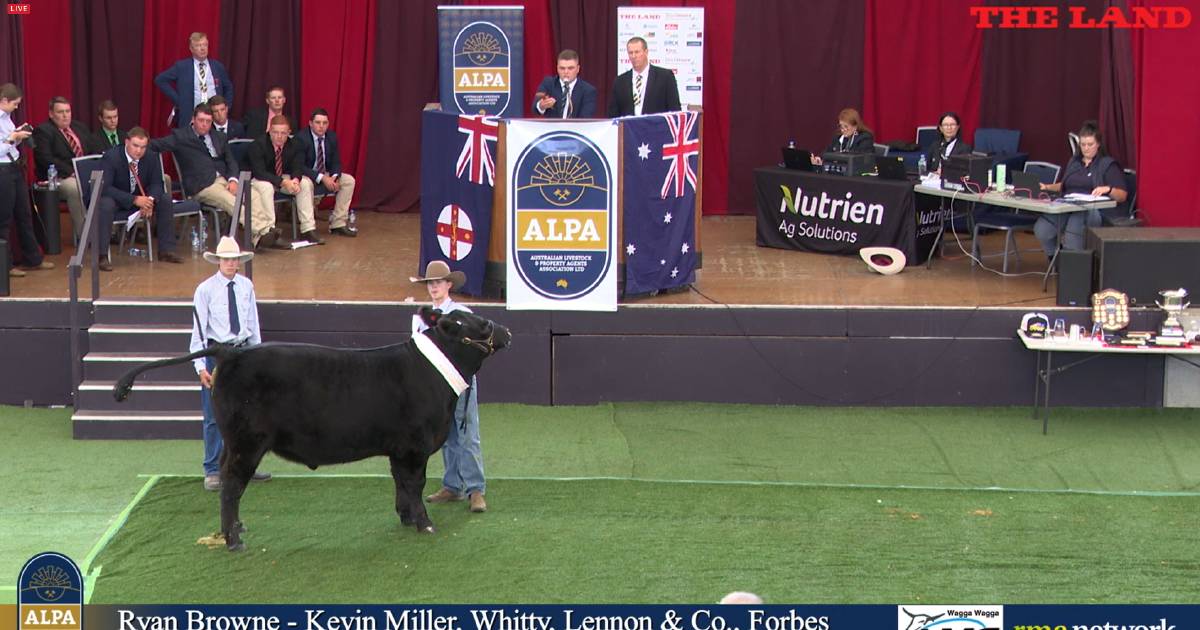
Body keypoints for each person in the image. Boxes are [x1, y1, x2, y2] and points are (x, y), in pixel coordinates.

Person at [190, 235, 270, 491]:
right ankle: (212, 468)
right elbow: (199, 331)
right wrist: (201, 366)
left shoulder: (246, 286)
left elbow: (252, 322)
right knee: (214, 415)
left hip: (243, 352)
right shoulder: (205, 290)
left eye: (234, 259)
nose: (231, 264)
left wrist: (258, 354)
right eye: (227, 259)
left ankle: (243, 465)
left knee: (249, 413)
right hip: (219, 353)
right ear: (219, 261)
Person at [411, 260, 487, 513]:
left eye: (437, 283)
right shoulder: (422, 318)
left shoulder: (461, 313)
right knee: (447, 436)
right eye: (431, 283)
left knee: (466, 434)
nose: (434, 287)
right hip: (438, 386)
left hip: (459, 383)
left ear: (448, 285)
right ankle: (454, 486)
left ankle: (475, 489)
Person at [150, 103, 276, 249]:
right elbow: (154, 145)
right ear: (193, 120)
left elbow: (231, 162)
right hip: (202, 185)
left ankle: (261, 236)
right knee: (229, 200)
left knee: (252, 195)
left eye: (208, 121)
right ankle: (263, 230)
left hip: (224, 180)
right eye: (201, 120)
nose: (204, 125)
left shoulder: (219, 137)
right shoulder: (181, 136)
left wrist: (233, 180)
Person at [1034, 120, 1128, 257]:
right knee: (1042, 229)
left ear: (1098, 144)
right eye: (1083, 144)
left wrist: (1108, 189)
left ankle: (1072, 265)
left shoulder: (1107, 165)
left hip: (1091, 210)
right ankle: (1056, 259)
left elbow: (1122, 195)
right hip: (1067, 205)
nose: (1086, 148)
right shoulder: (1075, 162)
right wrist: (1047, 187)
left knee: (1075, 224)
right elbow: (1066, 184)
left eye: (1090, 144)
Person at [96, 128, 184, 271]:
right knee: (105, 204)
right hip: (118, 198)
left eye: (143, 147)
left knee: (165, 199)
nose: (139, 151)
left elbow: (157, 184)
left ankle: (166, 251)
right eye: (135, 146)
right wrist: (134, 199)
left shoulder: (151, 156)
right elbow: (105, 188)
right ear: (126, 142)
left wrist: (149, 200)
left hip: (141, 197)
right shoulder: (111, 157)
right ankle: (102, 256)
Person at [1, 83, 54, 278]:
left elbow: (10, 143)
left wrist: (18, 136)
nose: (16, 107)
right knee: (4, 219)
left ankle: (33, 258)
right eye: (14, 104)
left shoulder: (7, 119)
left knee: (24, 213)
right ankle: (4, 265)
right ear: (4, 100)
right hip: (2, 170)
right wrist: (12, 138)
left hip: (15, 167)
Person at [247, 115, 322, 246]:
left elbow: (298, 167)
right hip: (259, 179)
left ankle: (308, 229)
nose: (279, 136)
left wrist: (295, 180)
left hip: (281, 177)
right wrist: (283, 182)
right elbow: (259, 172)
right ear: (269, 131)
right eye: (275, 132)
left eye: (283, 133)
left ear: (289, 133)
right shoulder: (258, 145)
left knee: (305, 183)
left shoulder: (294, 145)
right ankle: (270, 233)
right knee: (267, 187)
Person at [32, 96, 91, 242]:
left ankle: (111, 231)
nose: (65, 115)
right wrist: (73, 173)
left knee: (104, 182)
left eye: (68, 111)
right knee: (75, 188)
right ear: (51, 114)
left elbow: (91, 151)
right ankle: (85, 236)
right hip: (58, 178)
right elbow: (46, 159)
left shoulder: (80, 128)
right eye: (60, 112)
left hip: (84, 174)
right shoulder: (44, 131)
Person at [295, 108, 358, 237]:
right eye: (318, 122)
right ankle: (308, 229)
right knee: (305, 184)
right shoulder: (301, 138)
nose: (321, 126)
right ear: (310, 123)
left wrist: (334, 177)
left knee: (348, 181)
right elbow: (298, 166)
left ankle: (338, 224)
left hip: (326, 174)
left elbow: (336, 162)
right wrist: (322, 178)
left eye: (324, 123)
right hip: (307, 175)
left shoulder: (332, 136)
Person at [154, 32, 233, 128]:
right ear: (191, 49)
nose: (203, 48)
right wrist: (178, 100)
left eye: (205, 45)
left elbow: (228, 87)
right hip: (191, 115)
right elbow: (160, 80)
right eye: (198, 45)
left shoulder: (217, 66)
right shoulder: (182, 67)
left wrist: (226, 106)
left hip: (214, 116)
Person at [607, 37, 681, 117]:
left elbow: (675, 111)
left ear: (646, 52)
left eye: (637, 52)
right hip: (629, 128)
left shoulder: (665, 77)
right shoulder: (620, 81)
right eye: (630, 53)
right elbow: (613, 114)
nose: (634, 56)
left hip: (656, 127)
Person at [532, 50, 598, 119]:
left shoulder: (588, 90)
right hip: (552, 129)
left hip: (575, 129)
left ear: (578, 69)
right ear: (557, 68)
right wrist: (541, 106)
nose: (566, 72)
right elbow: (535, 108)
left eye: (570, 68)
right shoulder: (548, 84)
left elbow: (585, 117)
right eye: (562, 68)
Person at [810, 108, 875, 166]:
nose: (843, 129)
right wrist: (818, 159)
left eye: (846, 126)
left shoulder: (865, 138)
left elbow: (859, 159)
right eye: (841, 126)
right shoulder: (838, 137)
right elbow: (827, 152)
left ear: (855, 126)